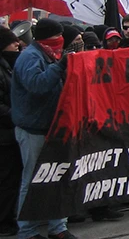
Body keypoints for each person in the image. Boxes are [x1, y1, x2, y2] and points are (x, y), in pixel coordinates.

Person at [11, 19, 82, 239]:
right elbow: (37, 85)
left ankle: (57, 226)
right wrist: (60, 67)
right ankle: (27, 230)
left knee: (58, 176)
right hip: (34, 129)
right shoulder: (30, 57)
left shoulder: (48, 54)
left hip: (53, 126)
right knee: (31, 180)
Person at [0, 27, 21, 237]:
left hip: (8, 133)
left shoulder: (7, 65)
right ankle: (4, 222)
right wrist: (17, 115)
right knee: (7, 180)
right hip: (4, 134)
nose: (17, 45)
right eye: (12, 42)